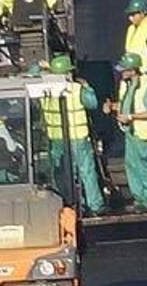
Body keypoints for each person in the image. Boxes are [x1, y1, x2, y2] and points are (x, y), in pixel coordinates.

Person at [39, 53, 105, 216]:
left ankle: (69, 204)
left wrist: (45, 67)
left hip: (57, 139)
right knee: (87, 172)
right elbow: (93, 103)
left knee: (62, 173)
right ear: (69, 73)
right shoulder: (77, 89)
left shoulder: (44, 90)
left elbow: (32, 72)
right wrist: (88, 87)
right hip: (78, 137)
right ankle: (95, 206)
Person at [107, 52, 147, 212]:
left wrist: (130, 117)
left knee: (144, 166)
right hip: (131, 132)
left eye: (124, 69)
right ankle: (139, 198)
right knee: (132, 165)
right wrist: (113, 107)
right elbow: (126, 103)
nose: (121, 72)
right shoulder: (126, 84)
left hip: (143, 132)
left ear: (133, 70)